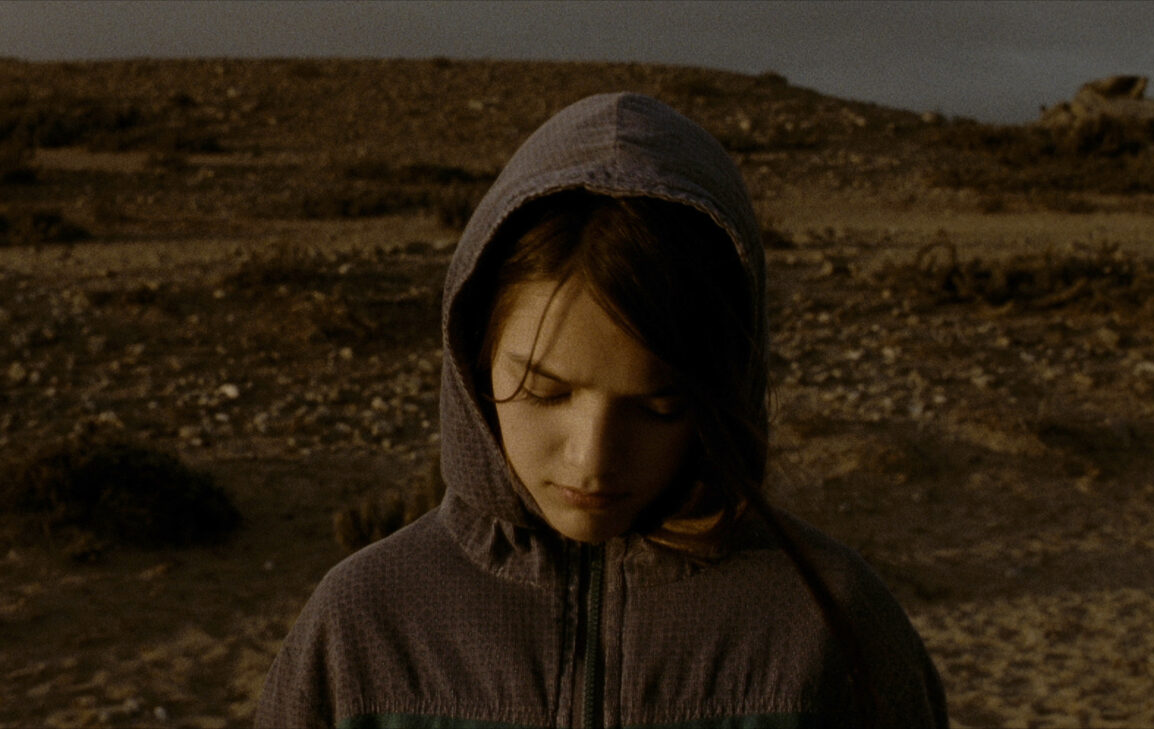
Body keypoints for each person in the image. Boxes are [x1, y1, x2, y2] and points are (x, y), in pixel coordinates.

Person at [255, 92, 947, 728]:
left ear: (724, 389)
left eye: (659, 405)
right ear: (473, 356)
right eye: (544, 391)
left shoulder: (827, 624)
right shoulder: (364, 625)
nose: (592, 457)